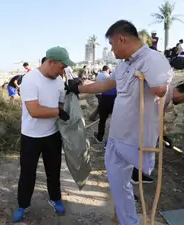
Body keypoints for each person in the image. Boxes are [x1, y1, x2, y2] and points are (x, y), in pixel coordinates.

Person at [66, 20, 174, 225]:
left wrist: (160, 85)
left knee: (132, 182)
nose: (112, 50)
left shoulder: (153, 59)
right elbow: (105, 84)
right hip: (116, 136)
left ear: (121, 39)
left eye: (112, 45)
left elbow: (162, 89)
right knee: (118, 185)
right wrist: (78, 88)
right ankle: (128, 222)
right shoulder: (124, 65)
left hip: (135, 137)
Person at [12, 46, 74, 222]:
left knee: (53, 171)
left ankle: (55, 199)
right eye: (62, 66)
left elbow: (61, 104)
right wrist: (58, 112)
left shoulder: (58, 81)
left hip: (52, 135)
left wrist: (71, 94)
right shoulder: (30, 80)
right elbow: (34, 110)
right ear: (50, 62)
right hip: (31, 136)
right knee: (27, 173)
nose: (63, 70)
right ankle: (23, 205)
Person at [130, 82, 184, 185]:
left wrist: (163, 136)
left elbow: (161, 117)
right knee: (145, 146)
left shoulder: (166, 94)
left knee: (145, 146)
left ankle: (136, 172)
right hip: (139, 121)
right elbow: (159, 118)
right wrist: (163, 136)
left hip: (141, 121)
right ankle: (134, 175)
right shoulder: (163, 94)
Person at [93, 65, 117, 145]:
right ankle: (111, 141)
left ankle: (100, 137)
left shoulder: (105, 75)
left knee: (102, 119)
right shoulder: (112, 76)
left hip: (104, 97)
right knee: (114, 121)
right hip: (114, 98)